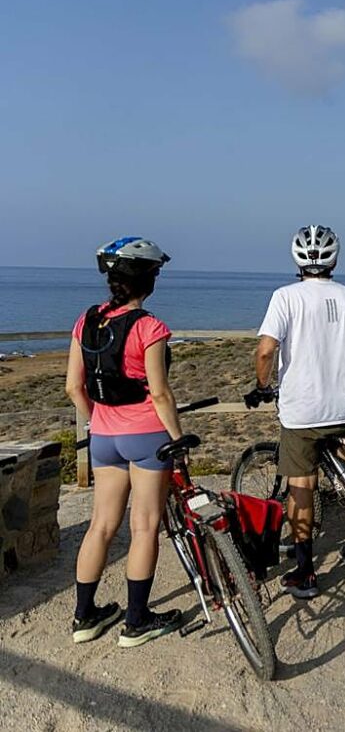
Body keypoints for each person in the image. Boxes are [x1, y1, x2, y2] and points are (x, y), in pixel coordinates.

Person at [66, 237, 184, 647]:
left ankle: (85, 617)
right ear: (148, 280)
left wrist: (97, 420)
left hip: (103, 437)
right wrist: (177, 438)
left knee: (100, 525)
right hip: (146, 435)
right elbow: (161, 394)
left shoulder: (87, 321)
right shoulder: (150, 328)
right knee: (144, 526)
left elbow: (72, 387)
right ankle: (136, 621)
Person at [246, 225, 345, 599]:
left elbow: (266, 350)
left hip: (302, 412)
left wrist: (263, 384)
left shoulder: (285, 297)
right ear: (334, 259)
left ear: (297, 260)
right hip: (344, 405)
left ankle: (305, 570)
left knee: (300, 487)